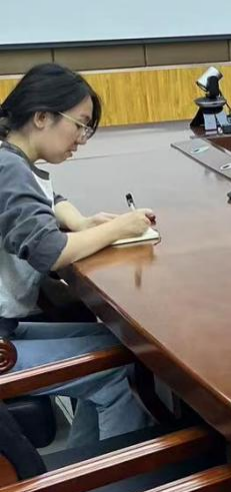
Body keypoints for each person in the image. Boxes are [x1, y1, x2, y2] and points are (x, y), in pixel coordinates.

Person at [0, 63, 154, 445]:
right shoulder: (8, 168)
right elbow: (50, 252)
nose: (82, 139)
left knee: (115, 343)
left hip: (7, 326)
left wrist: (83, 223)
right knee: (114, 368)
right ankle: (116, 471)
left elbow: (46, 199)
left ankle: (90, 460)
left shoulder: (11, 158)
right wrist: (119, 228)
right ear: (41, 117)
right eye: (80, 125)